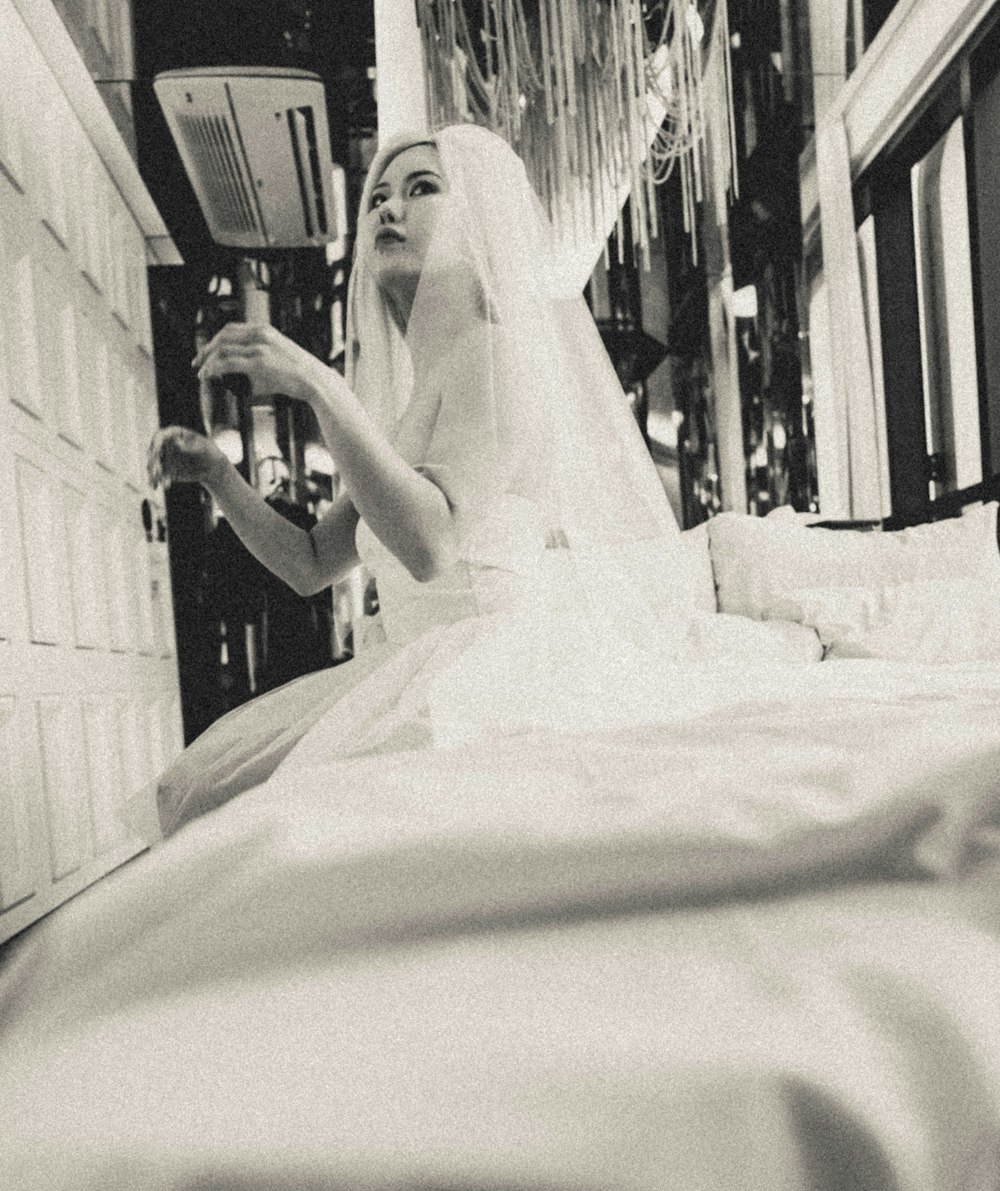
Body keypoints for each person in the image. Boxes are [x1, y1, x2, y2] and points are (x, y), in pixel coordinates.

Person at [146, 124, 688, 836]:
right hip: (406, 669)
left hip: (490, 676)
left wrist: (317, 383)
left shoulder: (497, 355)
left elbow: (432, 546)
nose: (386, 211)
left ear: (479, 222)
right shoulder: (419, 396)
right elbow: (311, 564)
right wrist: (218, 475)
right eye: (377, 197)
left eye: (421, 189)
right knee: (198, 793)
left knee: (257, 824)